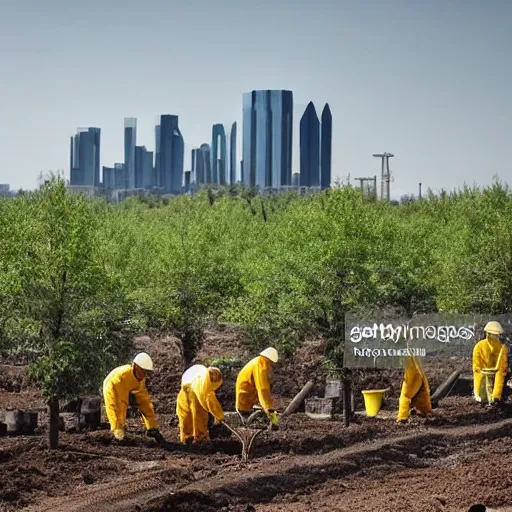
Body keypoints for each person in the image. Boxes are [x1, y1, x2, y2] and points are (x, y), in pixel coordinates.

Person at [103, 352, 163, 442]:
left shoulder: (141, 378)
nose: (145, 375)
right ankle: (118, 432)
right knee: (118, 406)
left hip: (127, 386)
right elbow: (120, 402)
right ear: (136, 366)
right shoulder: (121, 377)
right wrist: (119, 427)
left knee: (146, 403)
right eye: (143, 372)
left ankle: (152, 429)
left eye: (147, 373)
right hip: (112, 384)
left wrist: (152, 426)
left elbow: (143, 401)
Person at [176, 364, 224, 444]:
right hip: (194, 396)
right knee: (199, 416)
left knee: (186, 416)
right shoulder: (204, 382)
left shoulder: (198, 375)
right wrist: (219, 416)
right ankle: (201, 440)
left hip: (184, 392)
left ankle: (187, 438)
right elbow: (211, 400)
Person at [235, 347, 279, 427]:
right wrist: (269, 410)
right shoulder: (261, 366)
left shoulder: (259, 361)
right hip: (245, 399)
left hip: (248, 397)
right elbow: (263, 389)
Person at [473, 321, 508, 406]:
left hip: (496, 373)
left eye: (497, 335)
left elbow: (502, 369)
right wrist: (479, 392)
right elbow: (477, 368)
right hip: (483, 374)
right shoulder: (479, 347)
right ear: (488, 334)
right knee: (482, 395)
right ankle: (483, 400)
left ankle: (496, 399)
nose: (496, 337)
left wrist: (496, 393)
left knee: (502, 380)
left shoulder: (502, 348)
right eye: (494, 334)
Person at [397, 355, 432, 423]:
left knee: (406, 395)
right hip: (416, 370)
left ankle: (402, 418)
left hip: (412, 372)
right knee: (422, 390)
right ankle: (425, 411)